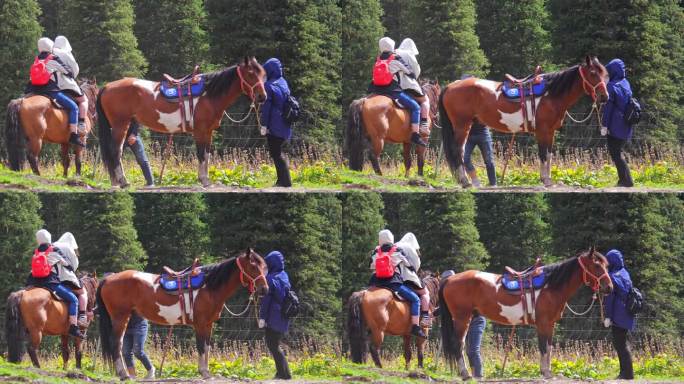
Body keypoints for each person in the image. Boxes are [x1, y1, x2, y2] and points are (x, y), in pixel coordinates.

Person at [368, 37, 427, 147]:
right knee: (416, 107)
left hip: (375, 89)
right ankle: (415, 134)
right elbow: (410, 72)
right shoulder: (395, 59)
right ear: (392, 46)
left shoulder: (377, 59)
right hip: (392, 91)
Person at [26, 38, 84, 147]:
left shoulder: (36, 59)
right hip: (49, 91)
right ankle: (73, 135)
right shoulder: (52, 58)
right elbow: (68, 71)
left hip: (33, 90)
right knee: (74, 108)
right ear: (50, 47)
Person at [26, 229, 84, 338]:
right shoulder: (54, 250)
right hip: (50, 282)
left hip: (33, 282)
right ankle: (73, 327)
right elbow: (68, 265)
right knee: (74, 300)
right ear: (49, 238)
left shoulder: (36, 252)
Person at [369, 229, 426, 338]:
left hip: (376, 282)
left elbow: (371, 266)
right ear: (391, 239)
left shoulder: (376, 251)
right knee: (416, 299)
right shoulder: (397, 250)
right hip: (393, 282)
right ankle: (415, 326)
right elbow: (408, 264)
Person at [441, 269, 486, 378]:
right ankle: (473, 374)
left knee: (473, 350)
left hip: (476, 320)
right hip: (465, 322)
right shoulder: (452, 293)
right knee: (467, 350)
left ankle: (478, 376)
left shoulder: (462, 289)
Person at [258, 251, 292, 380]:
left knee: (273, 345)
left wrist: (262, 318)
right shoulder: (284, 275)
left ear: (272, 264)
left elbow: (266, 301)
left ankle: (285, 374)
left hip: (273, 316)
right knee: (275, 344)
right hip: (283, 315)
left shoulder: (270, 278)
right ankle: (281, 373)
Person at [601, 59, 634, 187]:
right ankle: (623, 180)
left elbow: (608, 109)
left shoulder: (611, 86)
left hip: (615, 124)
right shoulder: (625, 83)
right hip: (626, 123)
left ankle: (627, 181)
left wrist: (604, 125)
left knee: (615, 153)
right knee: (618, 151)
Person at [259, 58, 292, 187]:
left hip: (274, 124)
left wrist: (264, 125)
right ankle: (281, 181)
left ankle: (285, 182)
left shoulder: (268, 86)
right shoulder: (283, 82)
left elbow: (266, 109)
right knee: (277, 152)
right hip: (285, 122)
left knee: (276, 153)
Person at [603, 249, 635, 380]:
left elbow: (610, 299)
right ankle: (626, 373)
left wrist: (608, 317)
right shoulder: (625, 273)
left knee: (620, 344)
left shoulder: (612, 276)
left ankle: (627, 374)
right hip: (627, 313)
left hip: (618, 315)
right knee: (622, 343)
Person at [53, 36, 89, 136]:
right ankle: (81, 123)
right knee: (84, 100)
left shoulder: (50, 53)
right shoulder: (66, 53)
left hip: (50, 85)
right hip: (65, 84)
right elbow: (75, 69)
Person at [464, 118, 497, 187]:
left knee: (489, 160)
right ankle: (475, 182)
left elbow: (487, 119)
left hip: (483, 133)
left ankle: (493, 184)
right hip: (467, 135)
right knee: (464, 158)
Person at [122, 311, 155, 379]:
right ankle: (132, 376)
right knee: (126, 353)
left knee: (138, 351)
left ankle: (151, 370)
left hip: (139, 325)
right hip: (125, 327)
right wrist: (94, 311)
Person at [125, 119, 154, 187]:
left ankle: (150, 183)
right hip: (120, 136)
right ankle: (117, 182)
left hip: (133, 137)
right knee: (114, 159)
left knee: (142, 159)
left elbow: (138, 119)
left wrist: (134, 134)